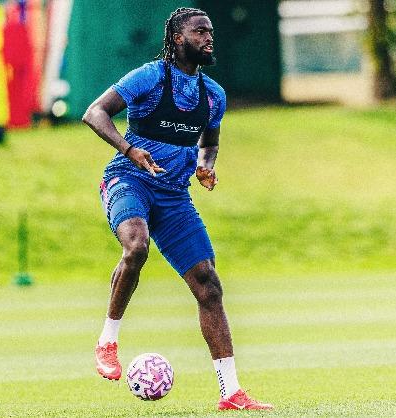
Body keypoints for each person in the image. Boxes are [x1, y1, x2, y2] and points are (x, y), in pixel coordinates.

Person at [82, 7, 273, 411]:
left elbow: (210, 140)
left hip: (173, 194)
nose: (209, 37)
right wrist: (129, 149)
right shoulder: (150, 76)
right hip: (128, 179)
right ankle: (108, 341)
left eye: (211, 31)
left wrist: (206, 167)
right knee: (136, 246)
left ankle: (231, 392)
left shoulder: (213, 95)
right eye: (199, 31)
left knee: (209, 284)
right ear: (177, 38)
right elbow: (94, 113)